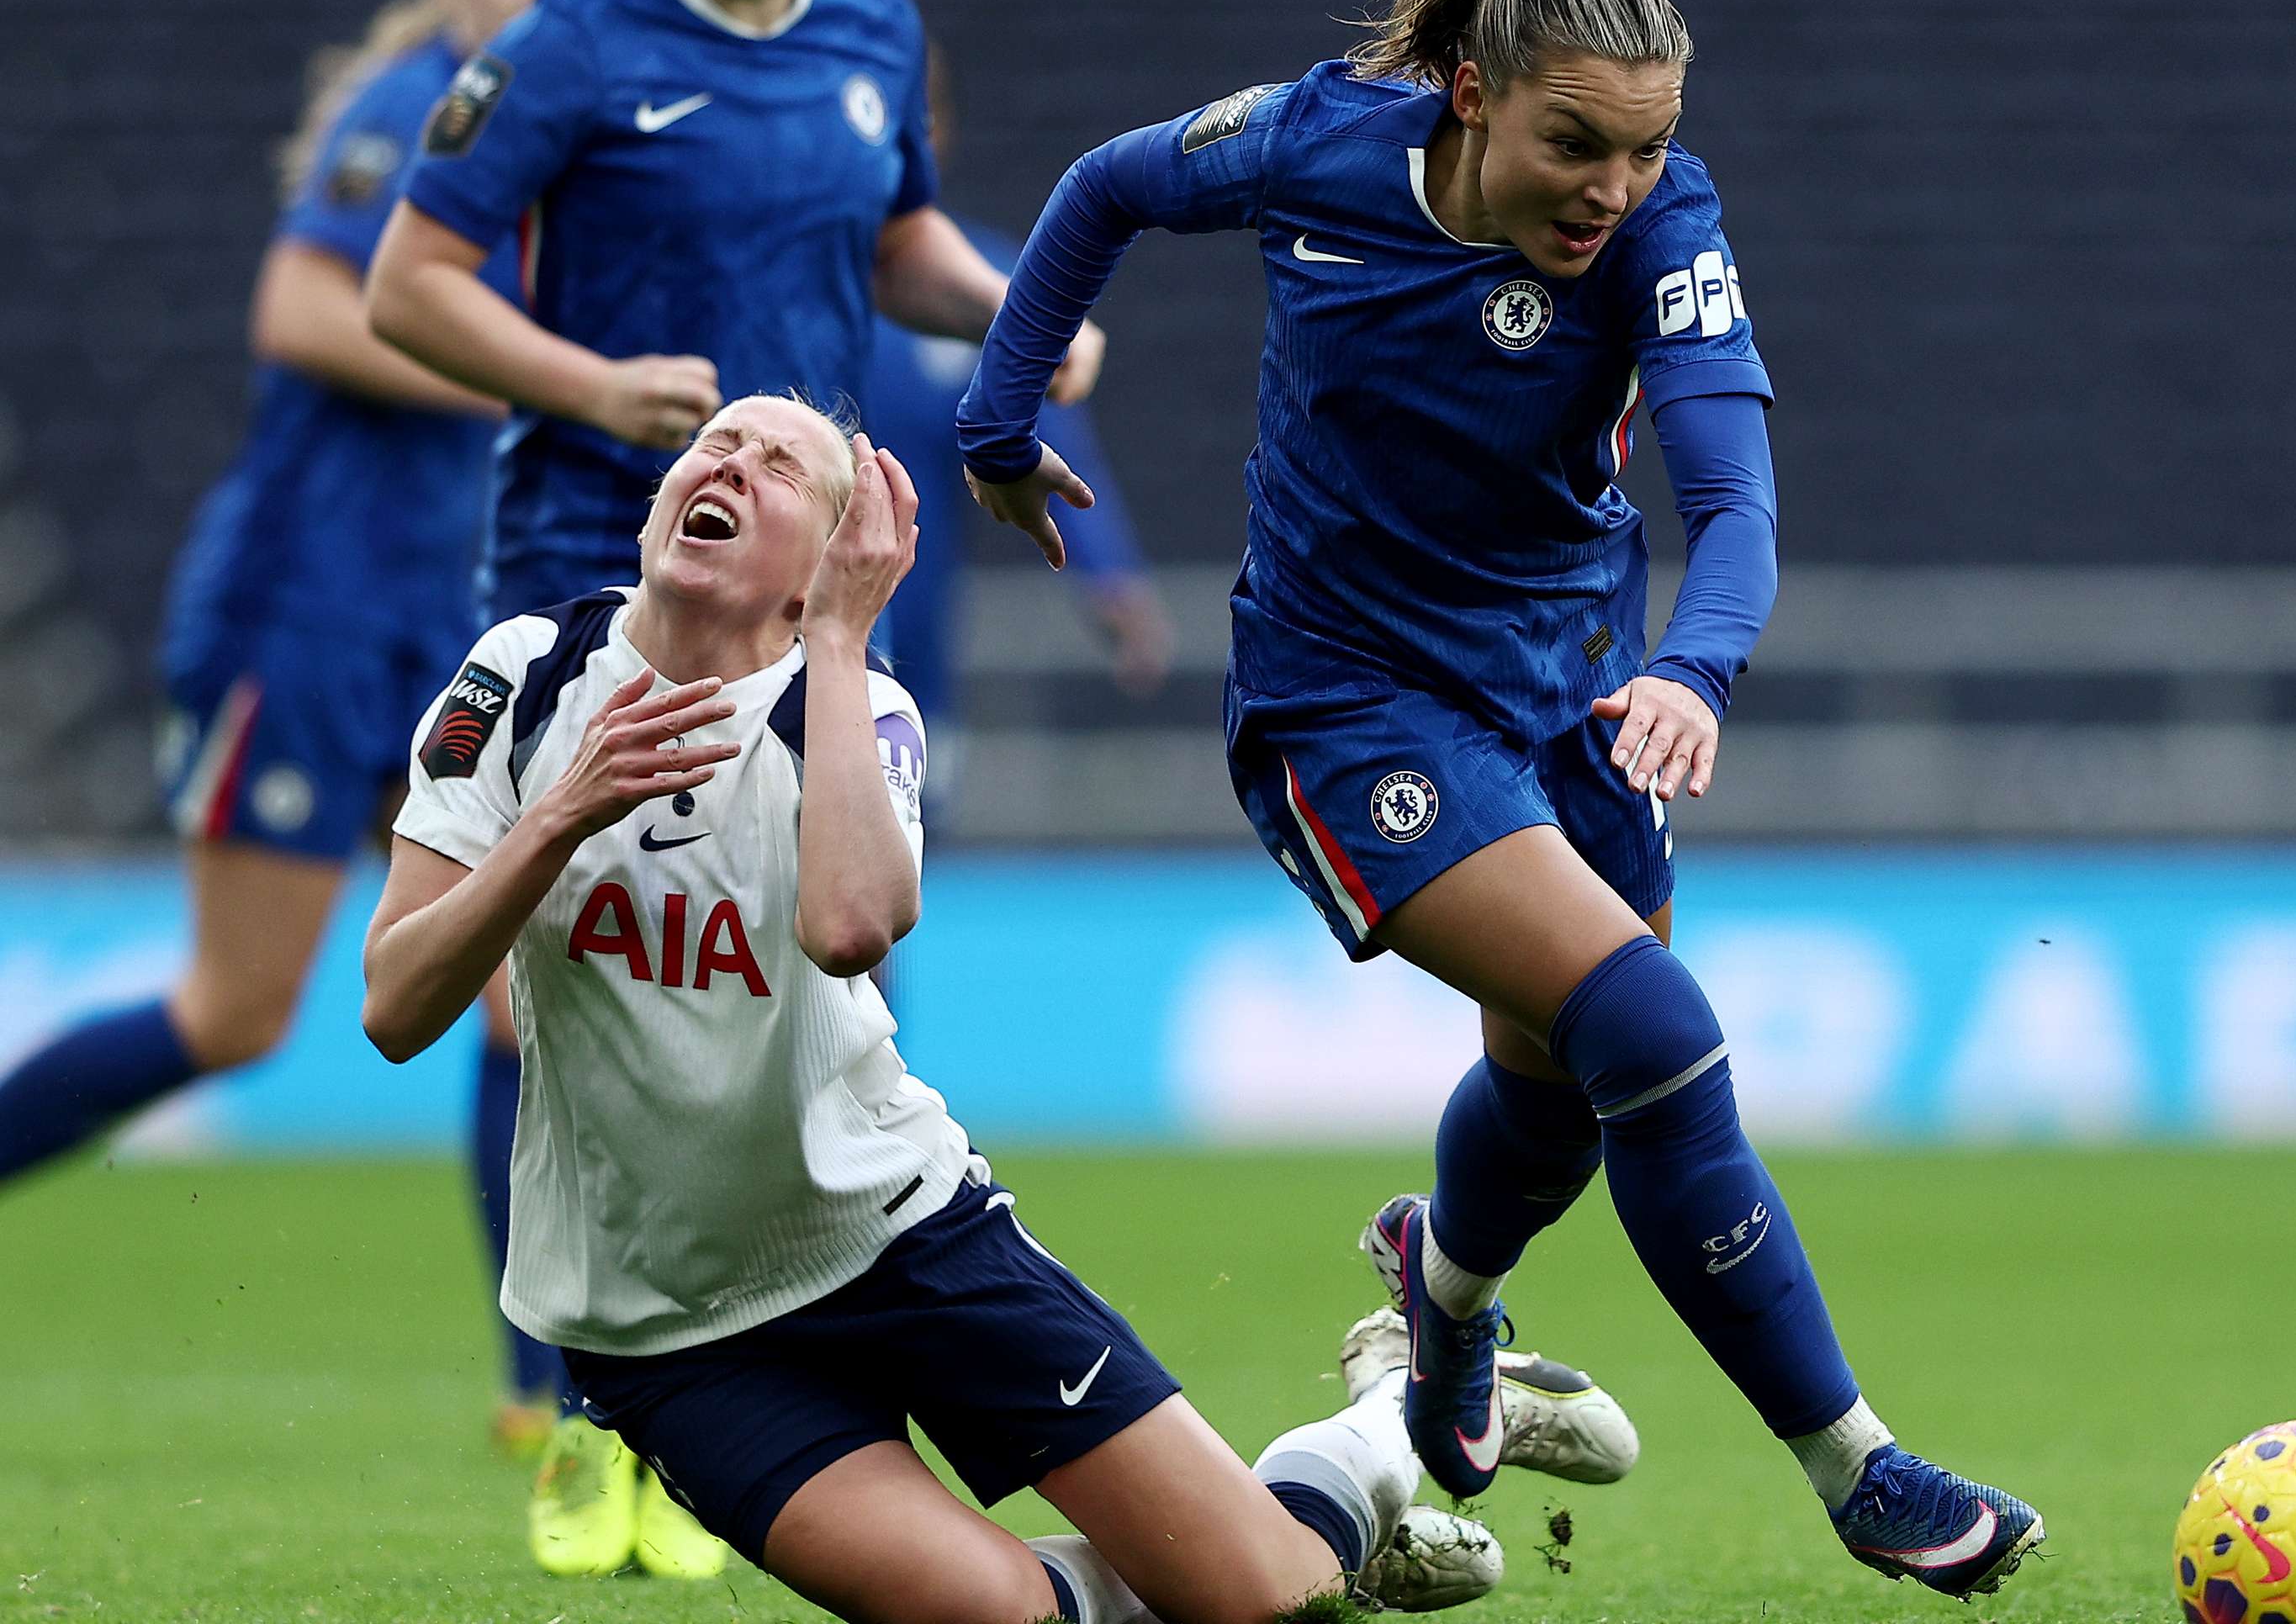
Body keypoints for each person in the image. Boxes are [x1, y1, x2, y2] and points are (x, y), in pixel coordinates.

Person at [956, 0, 2045, 1600]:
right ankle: (1861, 1471)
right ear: (1471, 95)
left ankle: (1440, 1302)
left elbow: (1734, 499)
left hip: (1572, 701)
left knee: (1556, 1106)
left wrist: (1693, 669)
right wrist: (997, 423)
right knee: (1652, 1023)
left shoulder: (1668, 229)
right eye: (1574, 145)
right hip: (1347, 701)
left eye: (1642, 148)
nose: (1613, 187)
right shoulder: (1317, 146)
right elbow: (1101, 189)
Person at [357, 393, 1637, 1621]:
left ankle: (1391, 1398)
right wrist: (559, 818)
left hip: (898, 1238)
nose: (730, 466)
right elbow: (396, 1008)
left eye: (780, 467)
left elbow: (853, 928)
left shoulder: (853, 707)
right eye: (716, 446)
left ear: (820, 571)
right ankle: (1256, 1527)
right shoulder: (523, 678)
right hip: (666, 1330)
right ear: (654, 512)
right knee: (1001, 1610)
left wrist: (842, 647)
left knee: (1270, 1600)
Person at [358, 0, 1098, 1561]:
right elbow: (408, 284)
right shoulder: (573, 46)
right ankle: (573, 1399)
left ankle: (789, 1369)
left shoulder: (872, 31)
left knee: (823, 951)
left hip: (815, 577)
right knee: (550, 977)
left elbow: (894, 233)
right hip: (597, 562)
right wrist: (589, 383)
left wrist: (1015, 318)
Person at [0, 0, 600, 1452]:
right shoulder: (417, 111)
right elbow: (298, 312)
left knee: (514, 1003)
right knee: (236, 1014)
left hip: (437, 630)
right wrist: (537, 375)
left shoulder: (556, 148)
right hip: (302, 617)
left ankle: (542, 1400)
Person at [856, 43, 1172, 811]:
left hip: (909, 651)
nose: (904, 134)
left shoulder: (977, 279)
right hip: (757, 628)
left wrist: (1112, 583)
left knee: (886, 871)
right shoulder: (760, 274)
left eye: (922, 114)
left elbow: (1056, 436)